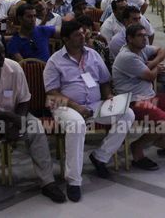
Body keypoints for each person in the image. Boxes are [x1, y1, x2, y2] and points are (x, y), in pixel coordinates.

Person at [0, 39, 66, 213]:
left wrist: (16, 125)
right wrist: (7, 116)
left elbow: (24, 100)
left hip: (14, 113)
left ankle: (47, 182)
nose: (1, 57)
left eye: (3, 52)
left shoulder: (14, 68)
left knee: (36, 128)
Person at [44, 20, 135, 201]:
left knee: (127, 114)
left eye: (83, 33)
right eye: (77, 35)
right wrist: (76, 106)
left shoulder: (93, 54)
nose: (83, 37)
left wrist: (109, 97)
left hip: (94, 104)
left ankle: (100, 156)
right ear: (65, 39)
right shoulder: (54, 61)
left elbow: (104, 81)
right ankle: (73, 180)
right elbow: (52, 93)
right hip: (65, 106)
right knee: (77, 124)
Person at [112, 24, 165, 170]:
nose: (145, 38)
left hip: (149, 97)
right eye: (140, 36)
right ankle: (137, 147)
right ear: (130, 39)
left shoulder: (142, 49)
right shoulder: (126, 56)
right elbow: (150, 76)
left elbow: (162, 51)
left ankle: (161, 139)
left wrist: (153, 63)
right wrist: (156, 67)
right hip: (133, 101)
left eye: (145, 35)